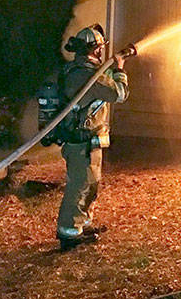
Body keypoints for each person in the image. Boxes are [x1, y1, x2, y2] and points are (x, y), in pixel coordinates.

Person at [55, 24, 128, 250]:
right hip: (81, 142)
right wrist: (119, 70)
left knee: (91, 184)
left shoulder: (77, 70)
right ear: (96, 50)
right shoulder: (88, 76)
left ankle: (83, 224)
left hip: (87, 141)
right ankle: (68, 233)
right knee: (79, 186)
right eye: (100, 48)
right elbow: (119, 94)